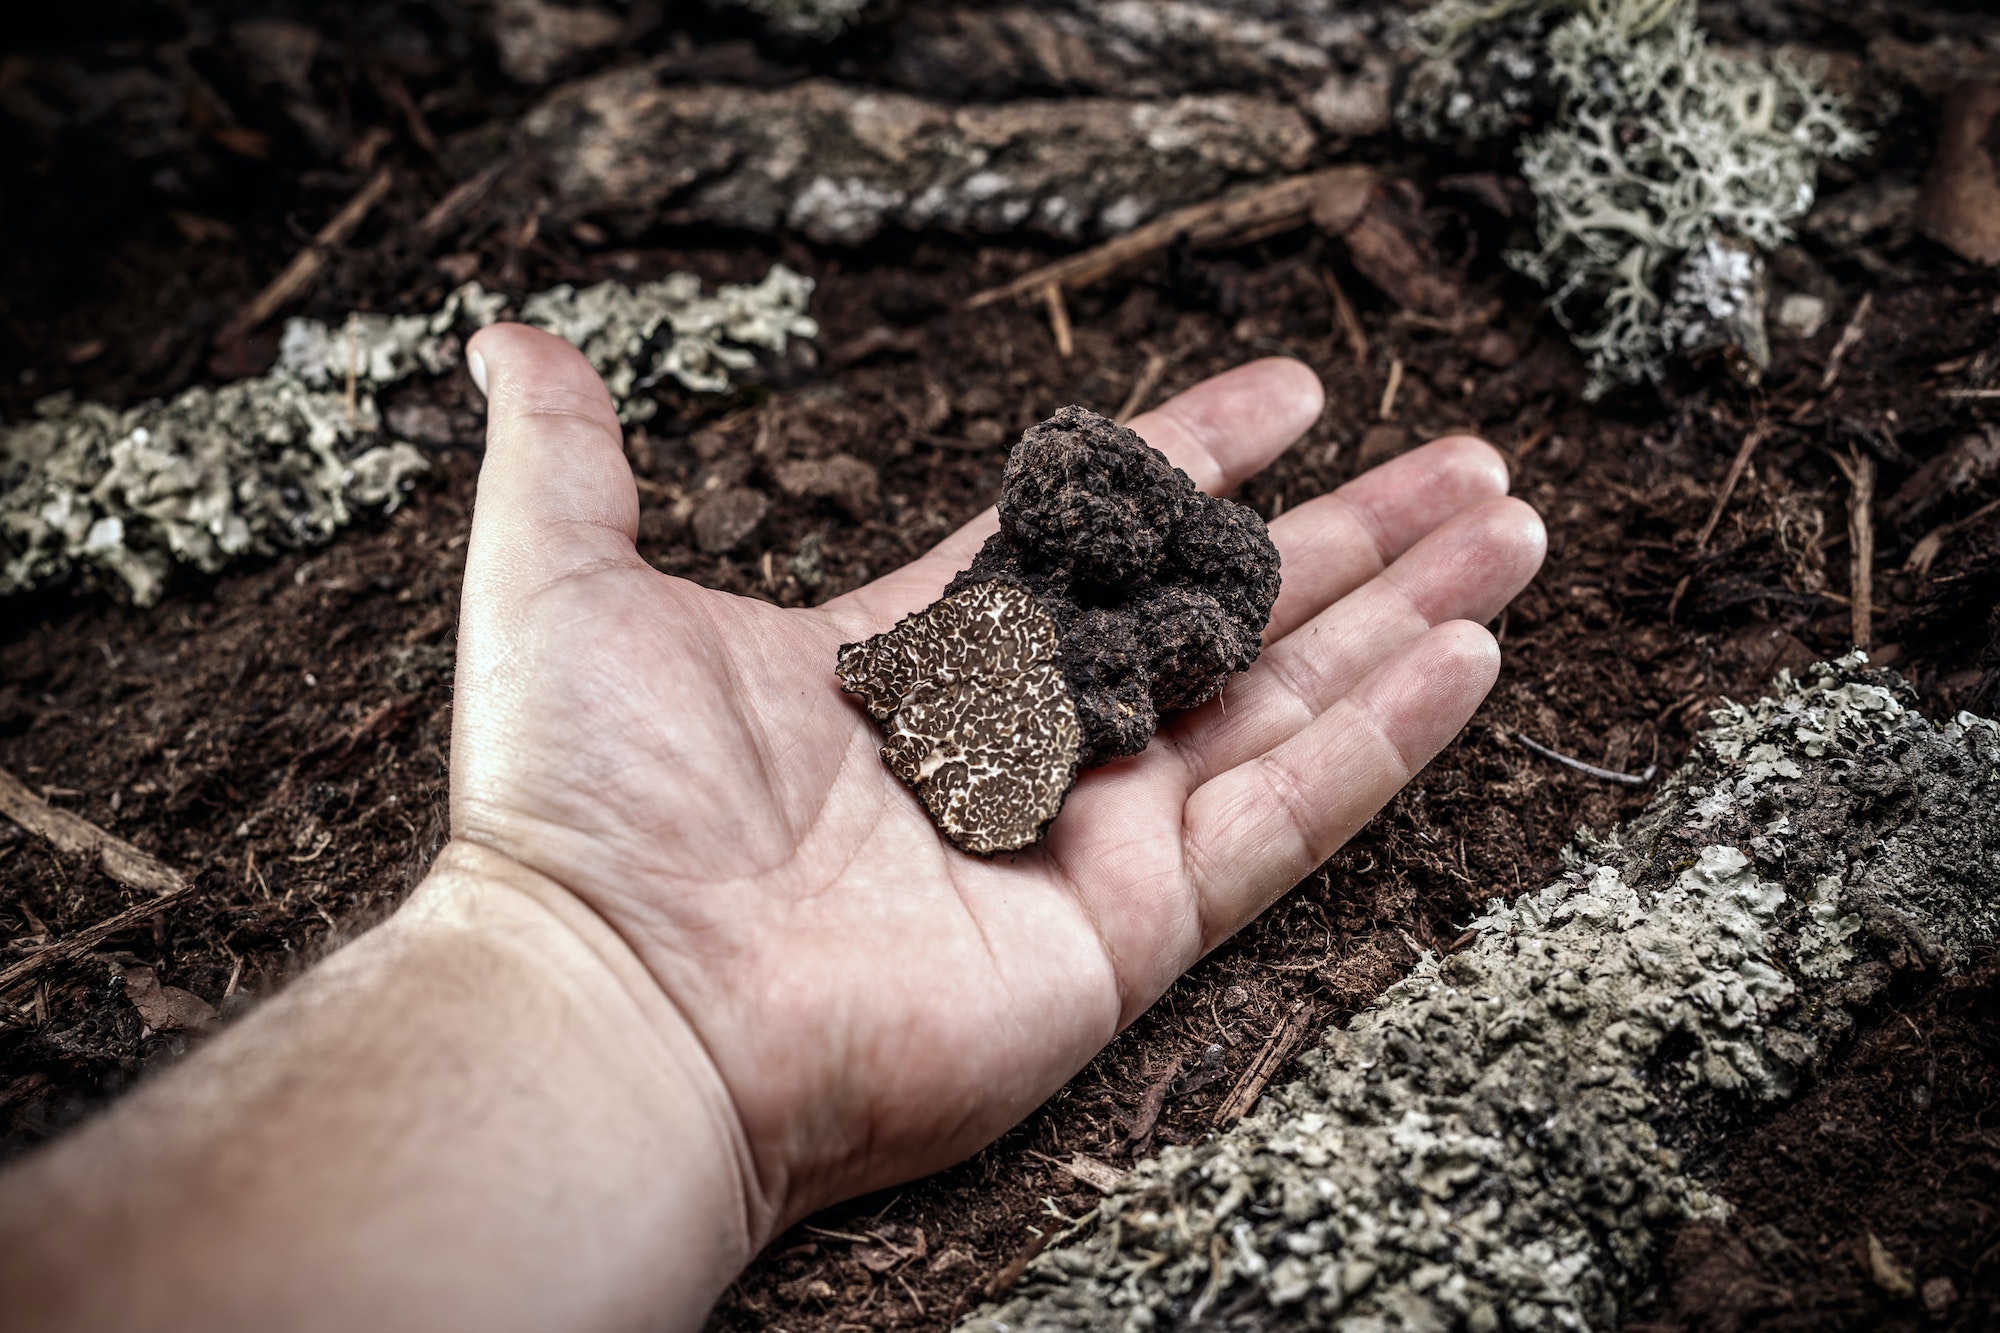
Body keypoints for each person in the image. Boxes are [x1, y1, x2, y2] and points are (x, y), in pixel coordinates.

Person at [0, 324, 1545, 1330]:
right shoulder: (1010, 638)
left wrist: (575, 971)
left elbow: (1143, 636)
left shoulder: (1107, 634)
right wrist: (578, 929)